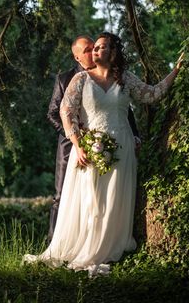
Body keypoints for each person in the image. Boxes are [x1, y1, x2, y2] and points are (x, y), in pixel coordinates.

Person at [25, 32, 182, 276]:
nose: (96, 51)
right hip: (90, 148)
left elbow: (152, 94)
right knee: (91, 200)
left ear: (114, 52)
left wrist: (176, 71)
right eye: (94, 48)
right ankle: (84, 246)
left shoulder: (126, 79)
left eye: (102, 47)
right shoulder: (80, 79)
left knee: (114, 199)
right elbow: (66, 113)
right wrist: (78, 144)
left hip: (123, 148)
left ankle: (108, 247)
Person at [46, 35, 140, 244]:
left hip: (113, 142)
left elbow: (126, 111)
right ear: (78, 57)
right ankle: (56, 240)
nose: (92, 52)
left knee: (108, 195)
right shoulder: (66, 78)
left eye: (93, 48)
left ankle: (103, 241)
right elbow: (54, 113)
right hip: (72, 145)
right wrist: (79, 137)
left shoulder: (117, 77)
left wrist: (135, 135)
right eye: (87, 50)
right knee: (64, 197)